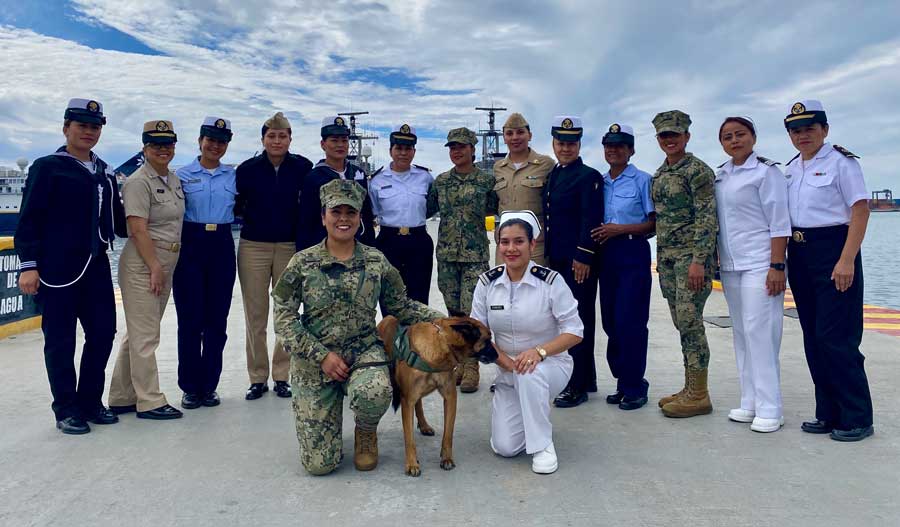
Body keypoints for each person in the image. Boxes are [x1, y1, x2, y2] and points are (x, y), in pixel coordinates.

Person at [272, 179, 445, 475]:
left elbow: (401, 305)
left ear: (360, 218)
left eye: (350, 213)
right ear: (323, 216)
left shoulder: (376, 261)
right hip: (316, 362)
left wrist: (443, 321)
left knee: (376, 390)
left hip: (363, 353)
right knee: (319, 466)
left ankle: (366, 430)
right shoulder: (303, 262)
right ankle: (327, 424)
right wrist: (321, 356)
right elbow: (283, 318)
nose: (343, 219)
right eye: (335, 211)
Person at [15, 98, 126, 434]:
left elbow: (117, 221)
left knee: (103, 333)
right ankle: (65, 408)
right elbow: (29, 219)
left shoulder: (105, 171)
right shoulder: (48, 167)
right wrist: (29, 265)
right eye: (82, 126)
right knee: (61, 340)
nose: (89, 132)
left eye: (94, 127)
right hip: (57, 267)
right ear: (66, 128)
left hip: (96, 265)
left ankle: (91, 401)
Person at [783, 100, 874, 441]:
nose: (802, 135)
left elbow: (860, 210)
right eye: (796, 130)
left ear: (824, 130)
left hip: (835, 250)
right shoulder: (791, 169)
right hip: (801, 252)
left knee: (838, 338)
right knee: (814, 336)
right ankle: (828, 412)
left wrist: (847, 258)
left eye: (809, 128)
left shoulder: (841, 163)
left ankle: (857, 416)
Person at [471, 211, 582, 474]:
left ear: (532, 245)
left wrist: (539, 352)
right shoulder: (487, 283)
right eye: (505, 242)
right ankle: (529, 409)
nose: (511, 248)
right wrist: (506, 362)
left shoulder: (551, 282)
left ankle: (542, 446)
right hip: (507, 369)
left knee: (529, 374)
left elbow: (575, 331)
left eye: (519, 241)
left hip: (551, 366)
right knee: (505, 447)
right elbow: (478, 334)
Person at [714, 116, 790, 433]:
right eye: (728, 136)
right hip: (732, 265)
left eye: (740, 134)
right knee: (742, 333)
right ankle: (750, 401)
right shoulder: (720, 176)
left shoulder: (766, 172)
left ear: (753, 137)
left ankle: (771, 406)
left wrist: (777, 266)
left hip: (761, 262)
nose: (735, 140)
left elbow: (779, 221)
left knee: (761, 331)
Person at [108, 120, 185, 419]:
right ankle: (150, 400)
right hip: (144, 262)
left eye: (167, 144)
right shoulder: (138, 181)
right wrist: (155, 267)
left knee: (139, 332)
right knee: (146, 336)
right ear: (144, 147)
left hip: (166, 260)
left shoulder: (173, 180)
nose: (162, 149)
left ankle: (121, 396)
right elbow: (137, 229)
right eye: (155, 144)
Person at [236, 112, 313, 401]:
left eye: (282, 136)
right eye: (272, 136)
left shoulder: (303, 168)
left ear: (290, 139)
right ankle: (257, 378)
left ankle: (282, 375)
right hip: (253, 246)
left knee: (286, 312)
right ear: (263, 139)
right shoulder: (246, 170)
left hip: (290, 247)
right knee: (255, 315)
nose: (277, 140)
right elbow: (237, 205)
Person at [651, 110, 718, 418]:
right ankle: (690, 387)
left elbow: (707, 218)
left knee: (691, 323)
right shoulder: (661, 174)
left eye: (674, 135)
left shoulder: (698, 171)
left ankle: (699, 394)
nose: (669, 140)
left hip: (690, 260)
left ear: (686, 137)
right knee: (681, 322)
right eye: (664, 136)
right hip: (666, 259)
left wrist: (699, 261)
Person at [426, 127, 499, 393]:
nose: (456, 151)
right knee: (454, 312)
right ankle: (457, 361)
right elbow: (428, 209)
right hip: (446, 255)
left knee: (472, 311)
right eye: (452, 147)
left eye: (462, 147)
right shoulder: (442, 181)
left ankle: (472, 367)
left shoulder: (485, 182)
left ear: (472, 149)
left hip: (474, 256)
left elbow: (496, 208)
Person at [172, 117, 237, 410]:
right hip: (190, 245)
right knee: (189, 320)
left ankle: (209, 385)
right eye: (210, 139)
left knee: (216, 321)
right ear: (200, 141)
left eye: (221, 141)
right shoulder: (182, 175)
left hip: (222, 244)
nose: (215, 145)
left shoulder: (233, 176)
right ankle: (189, 386)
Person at [591, 123, 655, 411]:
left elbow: (653, 223)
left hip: (632, 249)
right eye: (609, 145)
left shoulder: (642, 180)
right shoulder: (599, 183)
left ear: (631, 150)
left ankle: (635, 385)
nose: (613, 150)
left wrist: (620, 229)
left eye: (620, 145)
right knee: (612, 322)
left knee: (632, 321)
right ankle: (621, 381)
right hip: (606, 255)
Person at [542, 116, 603, 409]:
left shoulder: (588, 176)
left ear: (579, 145)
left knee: (578, 320)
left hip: (577, 261)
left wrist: (584, 255)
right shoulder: (555, 174)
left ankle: (576, 385)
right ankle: (587, 377)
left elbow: (590, 218)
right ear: (554, 143)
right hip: (557, 258)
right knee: (563, 317)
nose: (565, 148)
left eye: (571, 143)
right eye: (561, 142)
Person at [368, 123, 434, 305]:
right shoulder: (376, 180)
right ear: (391, 150)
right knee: (390, 299)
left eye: (408, 148)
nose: (403, 153)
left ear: (414, 151)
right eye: (399, 148)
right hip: (388, 242)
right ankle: (392, 334)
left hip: (418, 241)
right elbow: (373, 210)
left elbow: (432, 206)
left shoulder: (425, 177)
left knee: (419, 299)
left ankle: (417, 334)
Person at [295, 116, 376, 252]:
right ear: (323, 144)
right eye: (334, 140)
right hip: (324, 249)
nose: (340, 145)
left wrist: (371, 247)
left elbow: (366, 215)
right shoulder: (313, 178)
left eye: (344, 140)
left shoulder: (359, 174)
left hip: (358, 248)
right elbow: (306, 222)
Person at [492, 112, 555, 265]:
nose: (515, 137)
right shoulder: (498, 168)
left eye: (520, 132)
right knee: (504, 287)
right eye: (509, 133)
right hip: (506, 244)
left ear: (530, 135)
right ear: (504, 138)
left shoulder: (545, 164)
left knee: (537, 286)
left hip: (536, 244)